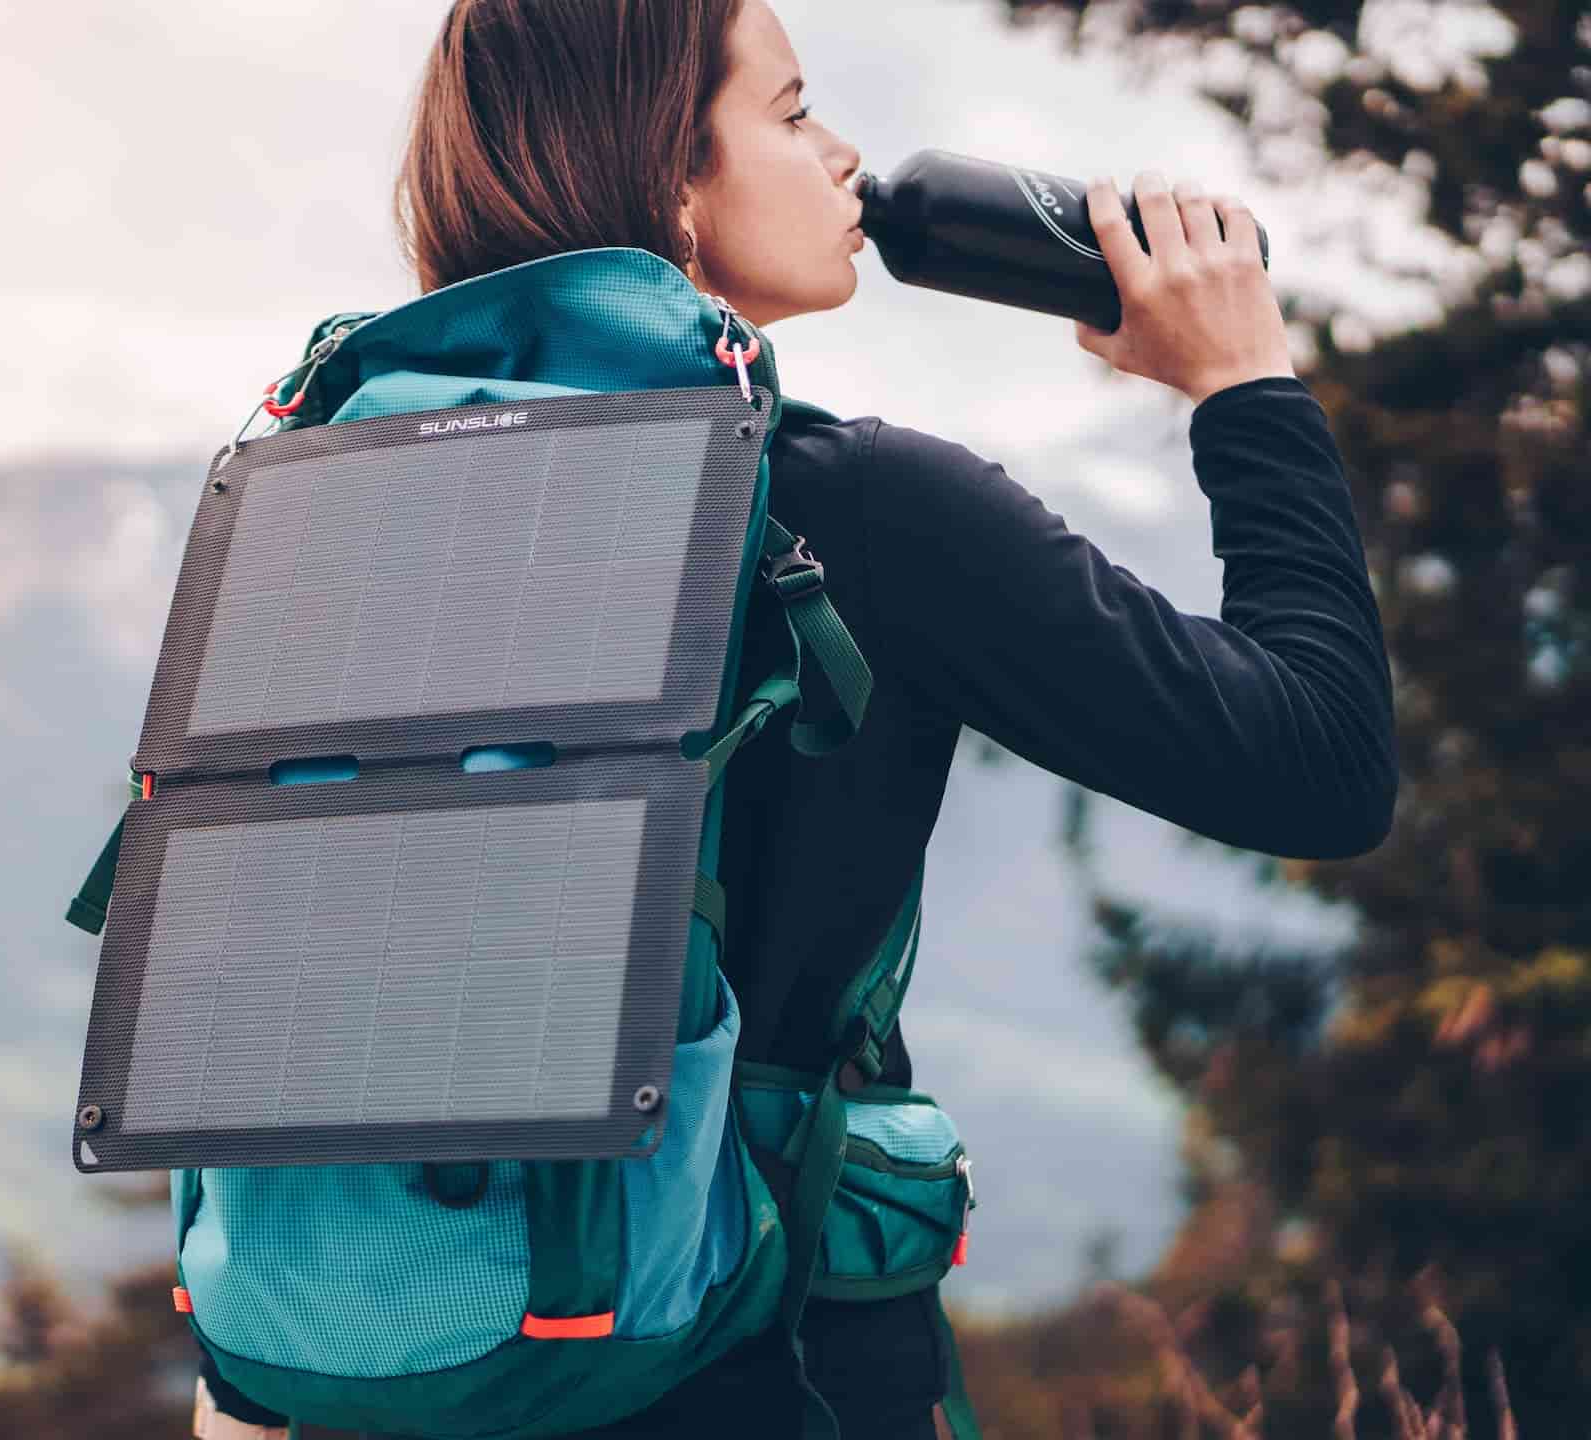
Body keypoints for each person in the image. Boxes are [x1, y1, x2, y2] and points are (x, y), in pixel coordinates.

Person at [192, 1, 1398, 1436]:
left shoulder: (325, 492)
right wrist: (1243, 383)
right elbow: (1320, 767)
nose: (847, 157)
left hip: (368, 1366)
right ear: (674, 172)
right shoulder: (860, 514)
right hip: (762, 1376)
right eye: (795, 108)